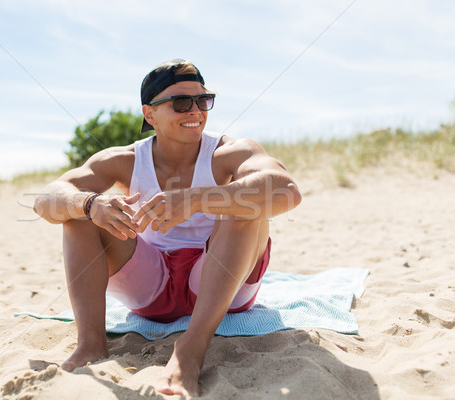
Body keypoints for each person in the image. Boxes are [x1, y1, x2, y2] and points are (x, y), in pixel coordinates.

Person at [33, 59, 301, 397]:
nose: (195, 111)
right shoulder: (125, 159)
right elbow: (46, 199)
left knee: (244, 206)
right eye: (180, 103)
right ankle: (90, 345)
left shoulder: (231, 151)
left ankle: (189, 351)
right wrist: (91, 204)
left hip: (219, 282)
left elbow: (287, 191)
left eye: (203, 100)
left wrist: (197, 199)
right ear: (149, 114)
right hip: (152, 287)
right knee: (78, 214)